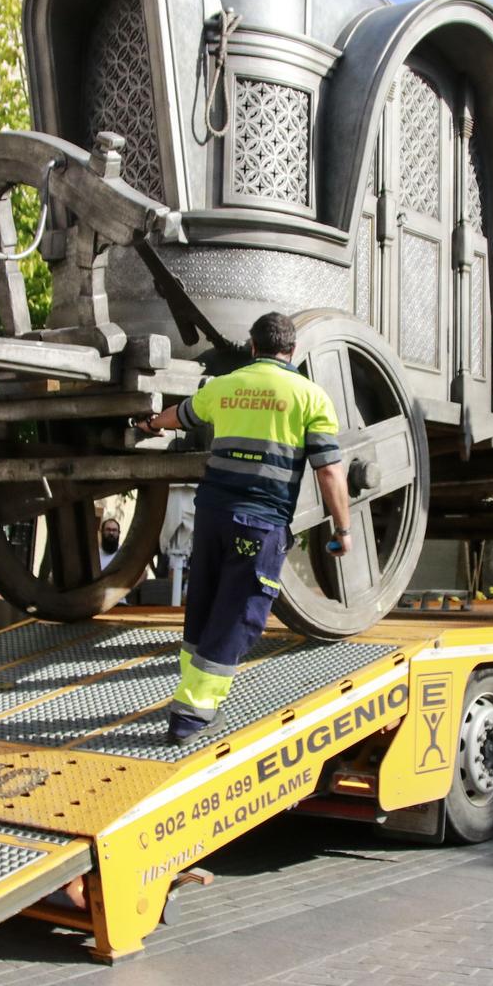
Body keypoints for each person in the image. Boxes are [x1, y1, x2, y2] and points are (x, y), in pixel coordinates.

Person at [134, 311, 352, 746]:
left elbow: (184, 415)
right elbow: (329, 472)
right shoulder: (311, 397)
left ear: (253, 347)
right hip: (260, 523)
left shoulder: (224, 386)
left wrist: (151, 424)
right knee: (241, 613)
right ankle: (192, 715)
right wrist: (342, 529)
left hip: (212, 515)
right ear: (292, 351)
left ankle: (191, 697)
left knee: (205, 602)